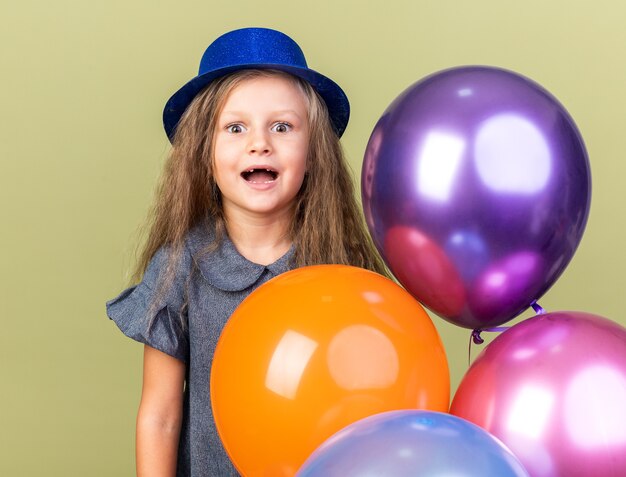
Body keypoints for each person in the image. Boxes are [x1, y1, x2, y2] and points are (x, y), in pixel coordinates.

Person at [106, 27, 387, 476]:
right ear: (205, 153)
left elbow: (369, 407)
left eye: (282, 126)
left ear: (314, 152)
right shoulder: (180, 266)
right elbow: (159, 416)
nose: (260, 143)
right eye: (235, 128)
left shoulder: (341, 270)